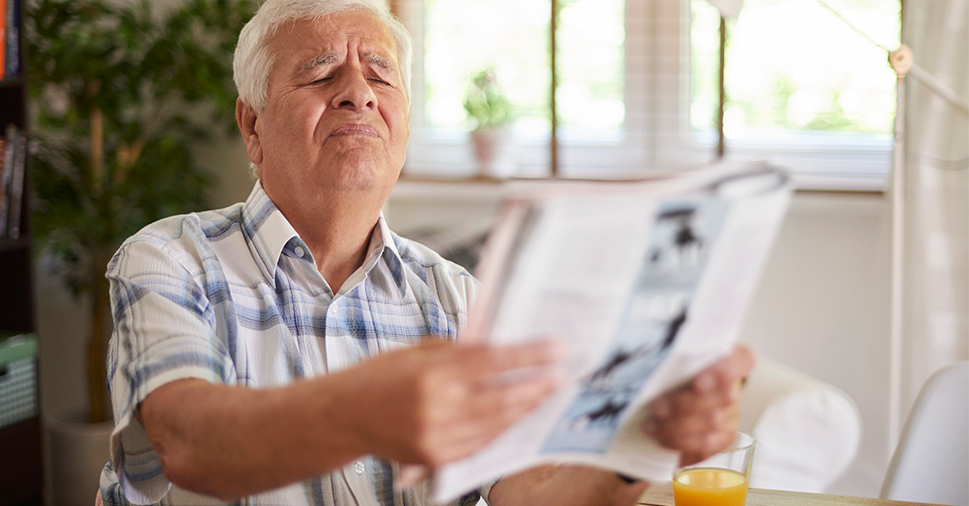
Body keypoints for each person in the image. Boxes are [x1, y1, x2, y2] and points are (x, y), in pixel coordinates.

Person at [97, 0, 755, 505]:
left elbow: (527, 491)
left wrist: (636, 443)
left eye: (381, 77)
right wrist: (363, 411)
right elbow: (184, 441)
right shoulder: (170, 257)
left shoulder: (455, 296)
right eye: (321, 73)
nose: (358, 92)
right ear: (252, 124)